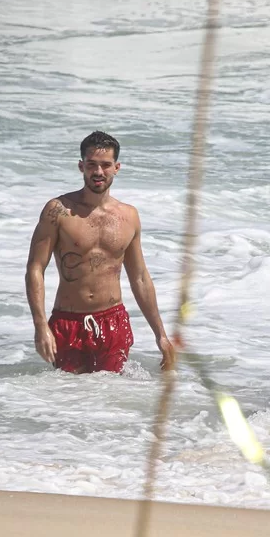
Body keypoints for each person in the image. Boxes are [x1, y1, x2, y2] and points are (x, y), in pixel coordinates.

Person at [25, 131, 175, 374]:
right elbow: (35, 268)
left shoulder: (129, 216)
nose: (98, 172)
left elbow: (139, 277)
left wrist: (161, 335)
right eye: (92, 165)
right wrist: (40, 324)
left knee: (110, 399)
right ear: (81, 166)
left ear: (117, 167)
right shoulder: (58, 211)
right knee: (65, 399)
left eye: (105, 165)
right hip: (68, 322)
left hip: (113, 322)